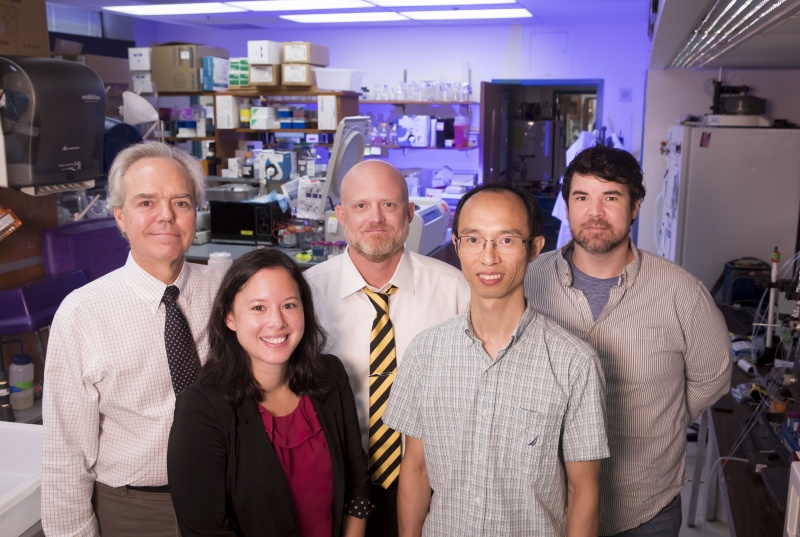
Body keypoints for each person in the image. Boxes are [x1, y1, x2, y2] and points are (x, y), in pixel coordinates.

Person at [524, 145, 732, 537]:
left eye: (611, 198)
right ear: (566, 206)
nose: (595, 213)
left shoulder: (681, 292)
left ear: (635, 206)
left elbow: (713, 378)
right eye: (582, 198)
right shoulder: (530, 280)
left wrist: (661, 419)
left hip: (644, 506)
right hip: (545, 501)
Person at [384, 183, 610, 537]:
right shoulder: (426, 352)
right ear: (456, 246)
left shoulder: (574, 363)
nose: (488, 258)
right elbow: (416, 468)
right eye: (474, 240)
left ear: (535, 248)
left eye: (506, 240)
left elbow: (583, 490)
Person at [42, 142, 222, 536]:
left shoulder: (225, 293)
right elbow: (66, 453)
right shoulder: (82, 314)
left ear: (196, 212)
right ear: (120, 218)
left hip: (228, 497)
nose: (166, 216)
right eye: (146, 203)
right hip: (138, 509)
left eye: (181, 202)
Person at [304, 160, 471, 536]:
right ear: (341, 216)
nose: (375, 218)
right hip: (335, 484)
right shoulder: (306, 294)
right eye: (361, 206)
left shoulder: (455, 290)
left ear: (410, 213)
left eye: (389, 205)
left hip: (435, 484)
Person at [168, 249, 372, 536]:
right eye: (258, 308)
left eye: (289, 305)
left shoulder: (330, 375)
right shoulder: (201, 409)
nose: (277, 322)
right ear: (230, 318)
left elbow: (357, 481)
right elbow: (206, 531)